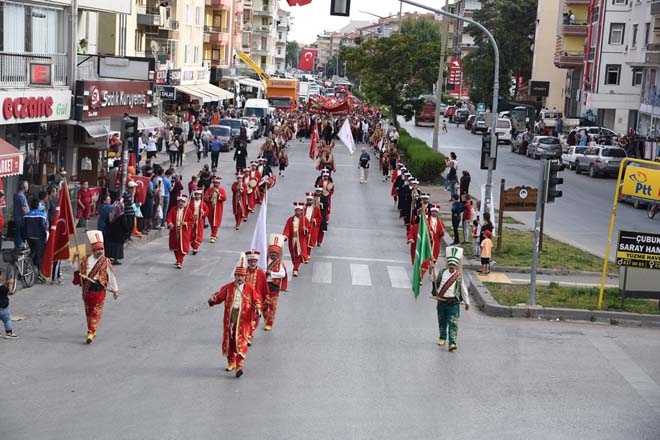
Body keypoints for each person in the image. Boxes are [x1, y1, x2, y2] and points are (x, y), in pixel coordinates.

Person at [207, 253, 262, 378]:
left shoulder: (249, 288)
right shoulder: (228, 287)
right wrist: (212, 299)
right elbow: (218, 296)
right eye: (238, 275)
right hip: (230, 317)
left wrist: (258, 309)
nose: (240, 278)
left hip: (244, 319)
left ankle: (239, 366)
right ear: (235, 276)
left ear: (245, 277)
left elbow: (257, 300)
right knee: (230, 340)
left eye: (242, 276)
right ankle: (231, 362)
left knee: (241, 340)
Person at [72, 230, 120, 344]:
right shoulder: (85, 259)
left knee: (96, 311)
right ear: (93, 250)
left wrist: (115, 290)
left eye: (101, 249)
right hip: (87, 289)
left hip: (99, 289)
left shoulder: (105, 261)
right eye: (98, 249)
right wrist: (75, 258)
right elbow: (76, 269)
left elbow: (111, 276)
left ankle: (91, 331)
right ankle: (92, 328)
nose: (100, 251)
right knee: (88, 311)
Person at [431, 246, 469, 351]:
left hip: (453, 303)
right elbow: (434, 281)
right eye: (450, 264)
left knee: (453, 323)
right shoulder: (442, 272)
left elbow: (463, 289)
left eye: (453, 265)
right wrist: (431, 271)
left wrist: (467, 302)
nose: (452, 266)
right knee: (442, 321)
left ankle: (452, 342)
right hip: (442, 302)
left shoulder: (459, 276)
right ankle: (442, 337)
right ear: (448, 264)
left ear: (456, 265)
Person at [263, 234, 288, 331]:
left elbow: (282, 274)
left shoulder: (280, 263)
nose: (273, 255)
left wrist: (271, 273)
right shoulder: (265, 261)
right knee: (263, 304)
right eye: (271, 253)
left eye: (275, 253)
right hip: (265, 285)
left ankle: (270, 323)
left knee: (272, 306)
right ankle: (265, 316)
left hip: (274, 286)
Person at [244, 250, 269, 345]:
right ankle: (248, 334)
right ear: (248, 262)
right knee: (246, 318)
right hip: (245, 299)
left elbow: (264, 287)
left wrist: (266, 298)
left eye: (254, 261)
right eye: (251, 261)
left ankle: (249, 334)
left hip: (257, 300)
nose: (253, 263)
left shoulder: (260, 273)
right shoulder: (244, 272)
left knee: (256, 318)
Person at [282, 202, 311, 277]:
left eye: (299, 210)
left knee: (300, 254)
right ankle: (295, 265)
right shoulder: (290, 220)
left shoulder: (305, 220)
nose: (298, 212)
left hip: (301, 240)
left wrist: (306, 230)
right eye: (296, 210)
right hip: (292, 240)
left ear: (301, 211)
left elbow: (309, 228)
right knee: (293, 254)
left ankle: (295, 269)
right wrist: (285, 236)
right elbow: (287, 229)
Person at [166, 194, 194, 269]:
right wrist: (170, 223)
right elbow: (169, 218)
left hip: (184, 231)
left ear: (184, 202)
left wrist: (185, 223)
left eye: (182, 202)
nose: (180, 203)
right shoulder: (173, 209)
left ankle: (180, 261)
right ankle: (178, 259)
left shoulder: (188, 210)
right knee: (175, 246)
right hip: (174, 231)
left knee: (183, 247)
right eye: (179, 201)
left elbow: (191, 221)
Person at [23, 197, 47, 281]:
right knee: (39, 255)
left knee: (33, 251)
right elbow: (43, 226)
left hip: (29, 237)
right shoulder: (41, 214)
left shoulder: (27, 214)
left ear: (30, 205)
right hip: (38, 237)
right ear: (37, 206)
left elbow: (24, 226)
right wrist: (45, 236)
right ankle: (41, 274)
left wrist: (24, 238)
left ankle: (26, 267)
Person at [104, 197, 130, 265]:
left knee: (110, 246)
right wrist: (127, 231)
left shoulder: (111, 214)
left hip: (110, 234)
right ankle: (115, 259)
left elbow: (106, 221)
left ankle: (108, 258)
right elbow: (124, 225)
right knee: (117, 247)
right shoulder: (122, 216)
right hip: (118, 235)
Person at [204, 176, 227, 243]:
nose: (216, 184)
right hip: (210, 208)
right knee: (211, 222)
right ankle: (214, 233)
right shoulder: (209, 190)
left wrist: (218, 194)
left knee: (216, 222)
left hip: (218, 209)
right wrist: (211, 195)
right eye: (215, 183)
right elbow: (205, 199)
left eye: (217, 183)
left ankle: (213, 236)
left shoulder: (222, 190)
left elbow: (224, 198)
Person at [186, 188, 208, 255]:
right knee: (191, 233)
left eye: (199, 195)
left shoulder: (202, 204)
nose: (197, 196)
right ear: (194, 195)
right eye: (196, 195)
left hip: (199, 220)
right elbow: (187, 211)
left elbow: (207, 211)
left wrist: (203, 212)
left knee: (198, 233)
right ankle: (192, 245)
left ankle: (195, 247)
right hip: (192, 220)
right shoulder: (191, 203)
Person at [0, 269, 18, 339]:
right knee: (7, 320)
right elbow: (9, 292)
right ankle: (9, 333)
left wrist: (6, 283)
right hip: (3, 308)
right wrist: (10, 284)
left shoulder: (2, 286)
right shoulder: (3, 288)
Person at [13, 181, 29, 248]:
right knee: (21, 234)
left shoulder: (16, 194)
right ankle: (19, 247)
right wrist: (28, 216)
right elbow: (24, 208)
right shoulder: (21, 196)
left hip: (17, 216)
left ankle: (17, 247)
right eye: (27, 186)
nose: (28, 187)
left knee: (18, 233)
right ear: (24, 187)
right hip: (22, 218)